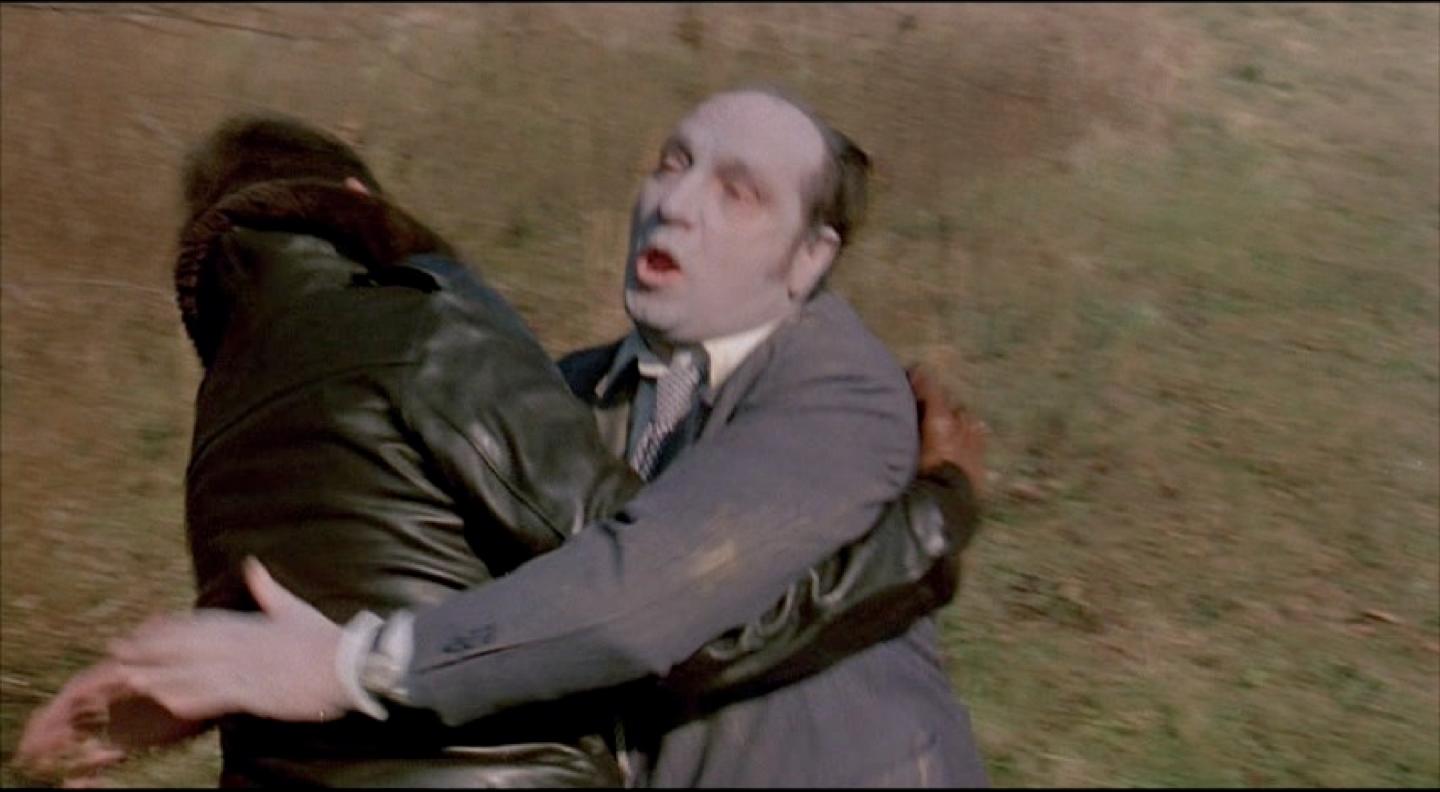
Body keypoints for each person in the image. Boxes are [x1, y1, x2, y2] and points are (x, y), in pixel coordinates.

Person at [14, 111, 987, 787]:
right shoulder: (466, 349)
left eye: (737, 193)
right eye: (673, 167)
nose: (677, 203)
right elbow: (638, 616)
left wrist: (222, 692)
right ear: (350, 197)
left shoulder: (227, 425)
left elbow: (631, 613)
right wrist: (936, 519)